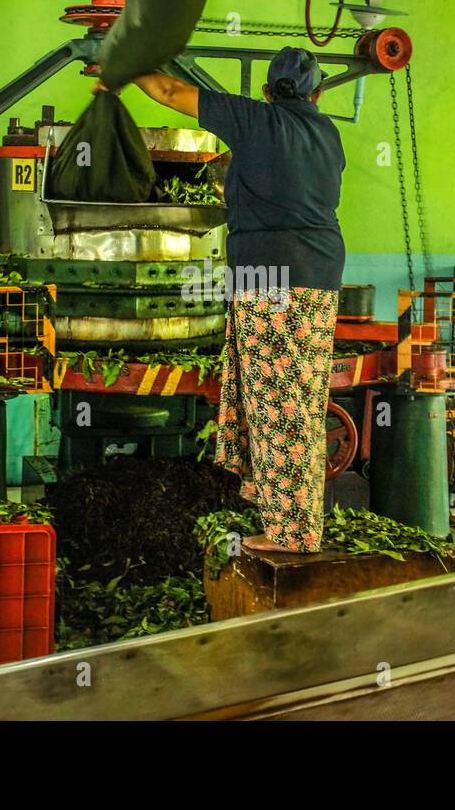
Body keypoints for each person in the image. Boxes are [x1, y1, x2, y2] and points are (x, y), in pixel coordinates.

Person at [96, 47, 345, 553]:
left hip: (270, 276)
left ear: (267, 91)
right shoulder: (329, 135)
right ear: (318, 93)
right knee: (296, 399)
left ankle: (292, 535)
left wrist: (124, 66)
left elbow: (168, 90)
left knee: (277, 405)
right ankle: (283, 515)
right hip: (320, 275)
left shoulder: (255, 119)